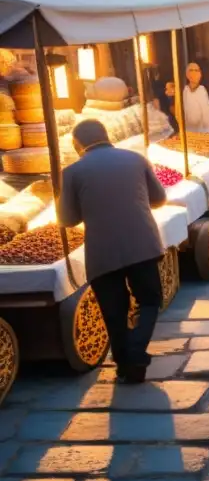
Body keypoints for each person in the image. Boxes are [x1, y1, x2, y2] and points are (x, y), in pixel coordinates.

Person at [57, 120, 167, 384]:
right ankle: (135, 352)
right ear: (107, 136)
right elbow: (159, 198)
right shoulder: (136, 159)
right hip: (141, 243)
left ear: (76, 145)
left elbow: (67, 219)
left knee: (114, 310)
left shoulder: (71, 172)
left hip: (102, 251)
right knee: (150, 300)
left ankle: (127, 364)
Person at [181, 62, 209, 133]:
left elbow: (207, 115)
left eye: (196, 70)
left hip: (201, 131)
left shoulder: (202, 90)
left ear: (200, 74)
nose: (194, 73)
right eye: (191, 70)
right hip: (187, 130)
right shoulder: (184, 90)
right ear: (187, 74)